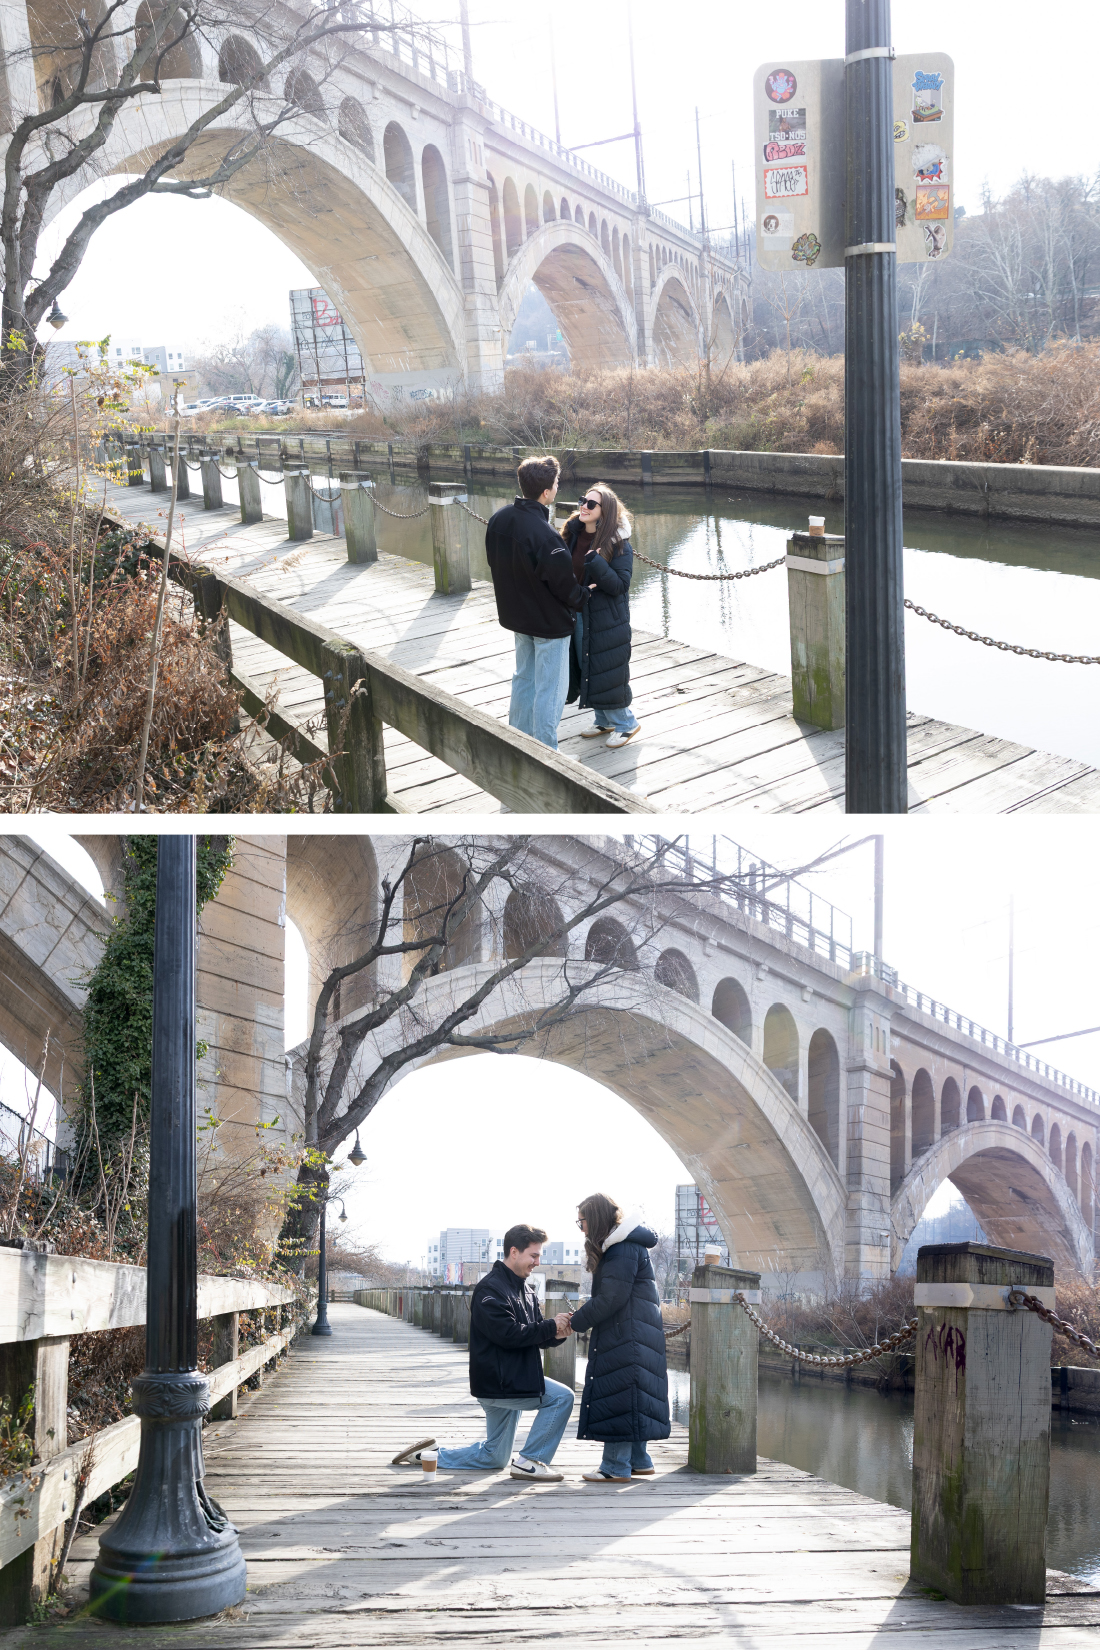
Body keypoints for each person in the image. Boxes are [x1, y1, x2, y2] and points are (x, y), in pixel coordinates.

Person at [391, 1223, 575, 1483]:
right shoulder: (490, 1290)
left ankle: (428, 1456)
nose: (538, 1262)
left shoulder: (528, 1291)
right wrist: (548, 1326)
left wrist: (555, 1335)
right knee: (562, 1397)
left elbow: (534, 1335)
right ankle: (532, 1461)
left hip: (514, 1378)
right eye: (533, 1255)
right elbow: (508, 1335)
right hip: (501, 1383)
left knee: (494, 1458)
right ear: (514, 1251)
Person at [484, 454, 586, 751]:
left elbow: (494, 562)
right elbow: (565, 587)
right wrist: (584, 595)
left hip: (518, 616)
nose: (557, 487)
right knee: (551, 690)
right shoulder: (545, 535)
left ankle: (518, 744)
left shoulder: (500, 518)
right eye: (556, 483)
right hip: (548, 623)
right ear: (547, 492)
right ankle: (546, 754)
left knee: (524, 679)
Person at [566, 1194, 669, 1482]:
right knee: (632, 1394)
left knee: (619, 1395)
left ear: (596, 1219)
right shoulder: (626, 1245)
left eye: (582, 1222)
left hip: (626, 1335)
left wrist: (575, 1323)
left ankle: (614, 1467)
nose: (581, 1228)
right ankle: (638, 1460)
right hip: (638, 1333)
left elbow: (611, 1298)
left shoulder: (621, 1249)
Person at [560, 484, 640, 747]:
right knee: (587, 666)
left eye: (591, 504)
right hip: (578, 611)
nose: (584, 506)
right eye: (583, 500)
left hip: (606, 619)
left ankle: (627, 723)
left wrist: (595, 561)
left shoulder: (619, 544)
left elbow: (620, 586)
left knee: (606, 669)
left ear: (604, 511)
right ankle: (603, 720)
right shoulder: (573, 533)